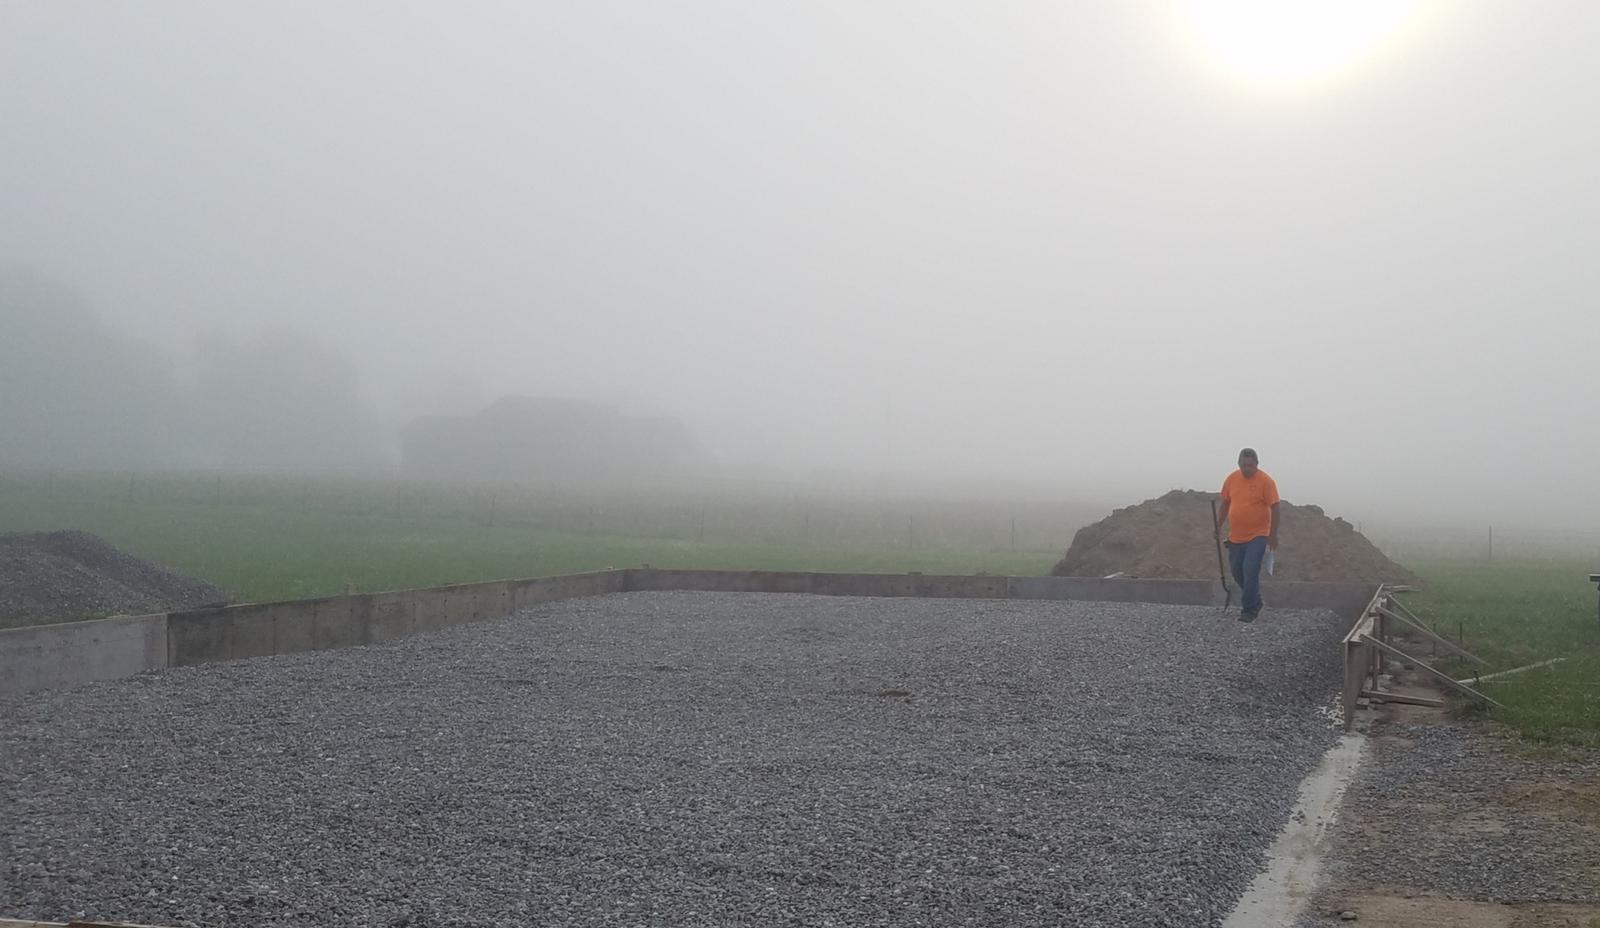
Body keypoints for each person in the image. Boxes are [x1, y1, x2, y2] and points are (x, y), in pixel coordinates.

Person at [1214, 447, 1280, 622]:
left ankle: (1248, 610)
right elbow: (1225, 503)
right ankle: (1256, 600)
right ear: (1239, 464)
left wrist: (1273, 534)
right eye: (1243, 465)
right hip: (1236, 537)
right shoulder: (1232, 479)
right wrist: (1218, 526)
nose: (1246, 468)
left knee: (1250, 569)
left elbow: (1275, 507)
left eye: (1250, 465)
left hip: (1258, 535)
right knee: (1237, 572)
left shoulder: (1266, 482)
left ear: (1257, 464)